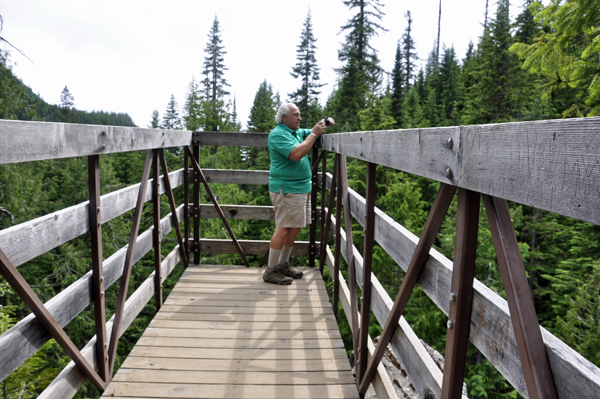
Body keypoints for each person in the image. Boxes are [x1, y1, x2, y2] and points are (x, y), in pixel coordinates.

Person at [263, 103, 335, 285]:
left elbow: (309, 132)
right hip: (286, 189)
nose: (299, 118)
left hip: (301, 188)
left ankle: (282, 265)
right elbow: (296, 154)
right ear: (284, 118)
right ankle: (270, 271)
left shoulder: (295, 132)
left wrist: (324, 123)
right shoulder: (277, 135)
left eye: (299, 115)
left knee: (294, 227)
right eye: (295, 115)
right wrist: (313, 134)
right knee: (283, 227)